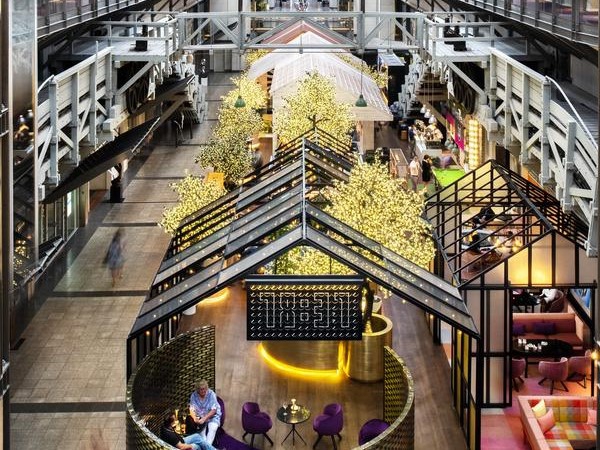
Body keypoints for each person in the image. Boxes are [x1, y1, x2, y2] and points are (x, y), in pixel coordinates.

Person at [189, 380, 221, 445]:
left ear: (206, 388)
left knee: (212, 429)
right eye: (201, 389)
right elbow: (191, 409)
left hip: (212, 416)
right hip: (200, 417)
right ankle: (206, 446)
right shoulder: (194, 395)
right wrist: (195, 418)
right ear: (197, 390)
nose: (203, 391)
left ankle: (207, 446)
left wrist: (204, 419)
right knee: (202, 435)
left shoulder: (211, 394)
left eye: (204, 389)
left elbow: (214, 410)